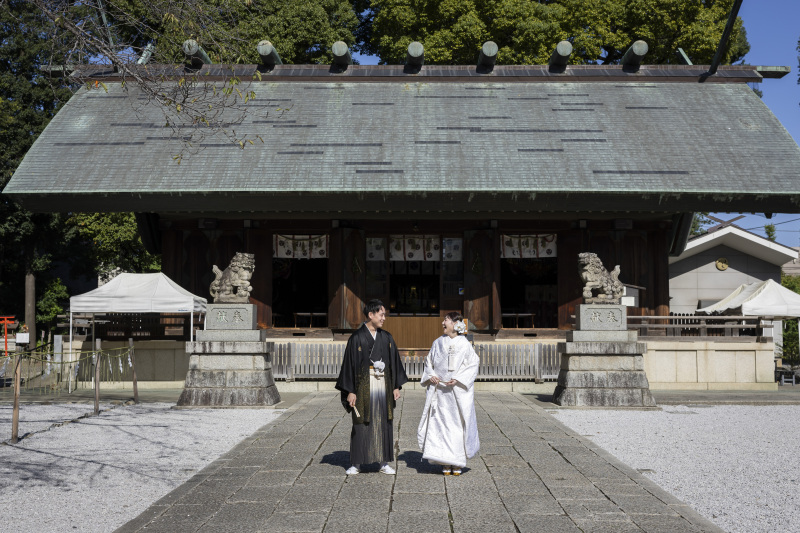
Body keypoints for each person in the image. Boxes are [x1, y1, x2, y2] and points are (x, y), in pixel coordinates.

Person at [335, 299, 408, 475]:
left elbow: (393, 363)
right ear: (371, 315)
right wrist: (350, 391)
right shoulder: (357, 338)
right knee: (361, 422)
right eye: (381, 314)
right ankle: (357, 462)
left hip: (383, 383)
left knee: (384, 420)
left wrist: (396, 386)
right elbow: (349, 366)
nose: (384, 318)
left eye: (384, 314)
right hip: (362, 385)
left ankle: (383, 462)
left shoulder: (386, 337)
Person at [417, 311, 480, 475]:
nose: (443, 323)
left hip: (456, 391)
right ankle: (444, 460)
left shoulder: (464, 344)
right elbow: (429, 362)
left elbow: (473, 364)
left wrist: (458, 379)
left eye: (446, 320)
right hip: (440, 391)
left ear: (455, 324)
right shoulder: (437, 342)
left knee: (457, 425)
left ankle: (457, 462)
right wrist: (432, 376)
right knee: (441, 424)